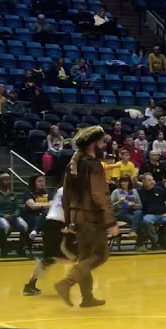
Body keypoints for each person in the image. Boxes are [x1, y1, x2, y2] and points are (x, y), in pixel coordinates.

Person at [54, 127, 117, 307]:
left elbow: (65, 194)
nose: (104, 146)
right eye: (102, 142)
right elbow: (100, 195)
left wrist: (68, 219)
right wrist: (110, 221)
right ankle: (66, 284)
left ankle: (87, 297)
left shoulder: (73, 164)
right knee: (100, 255)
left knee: (85, 257)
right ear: (93, 144)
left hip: (77, 217)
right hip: (91, 218)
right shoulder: (93, 165)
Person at [22, 185, 75, 296]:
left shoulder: (62, 189)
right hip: (57, 225)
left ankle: (30, 285)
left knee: (51, 259)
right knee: (73, 257)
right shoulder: (73, 190)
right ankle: (65, 285)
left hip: (52, 223)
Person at [137, 172, 166, 252]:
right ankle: (155, 240)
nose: (152, 182)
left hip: (163, 214)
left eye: (153, 180)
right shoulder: (139, 192)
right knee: (146, 221)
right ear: (143, 181)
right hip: (150, 215)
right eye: (149, 180)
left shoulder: (159, 189)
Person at [0, 173, 28, 256]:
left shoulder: (12, 194)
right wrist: (3, 216)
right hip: (0, 216)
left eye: (9, 179)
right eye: (6, 180)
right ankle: (3, 248)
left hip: (12, 215)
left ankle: (20, 248)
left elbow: (17, 207)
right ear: (0, 182)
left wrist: (15, 214)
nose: (8, 181)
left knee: (24, 226)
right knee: (5, 227)